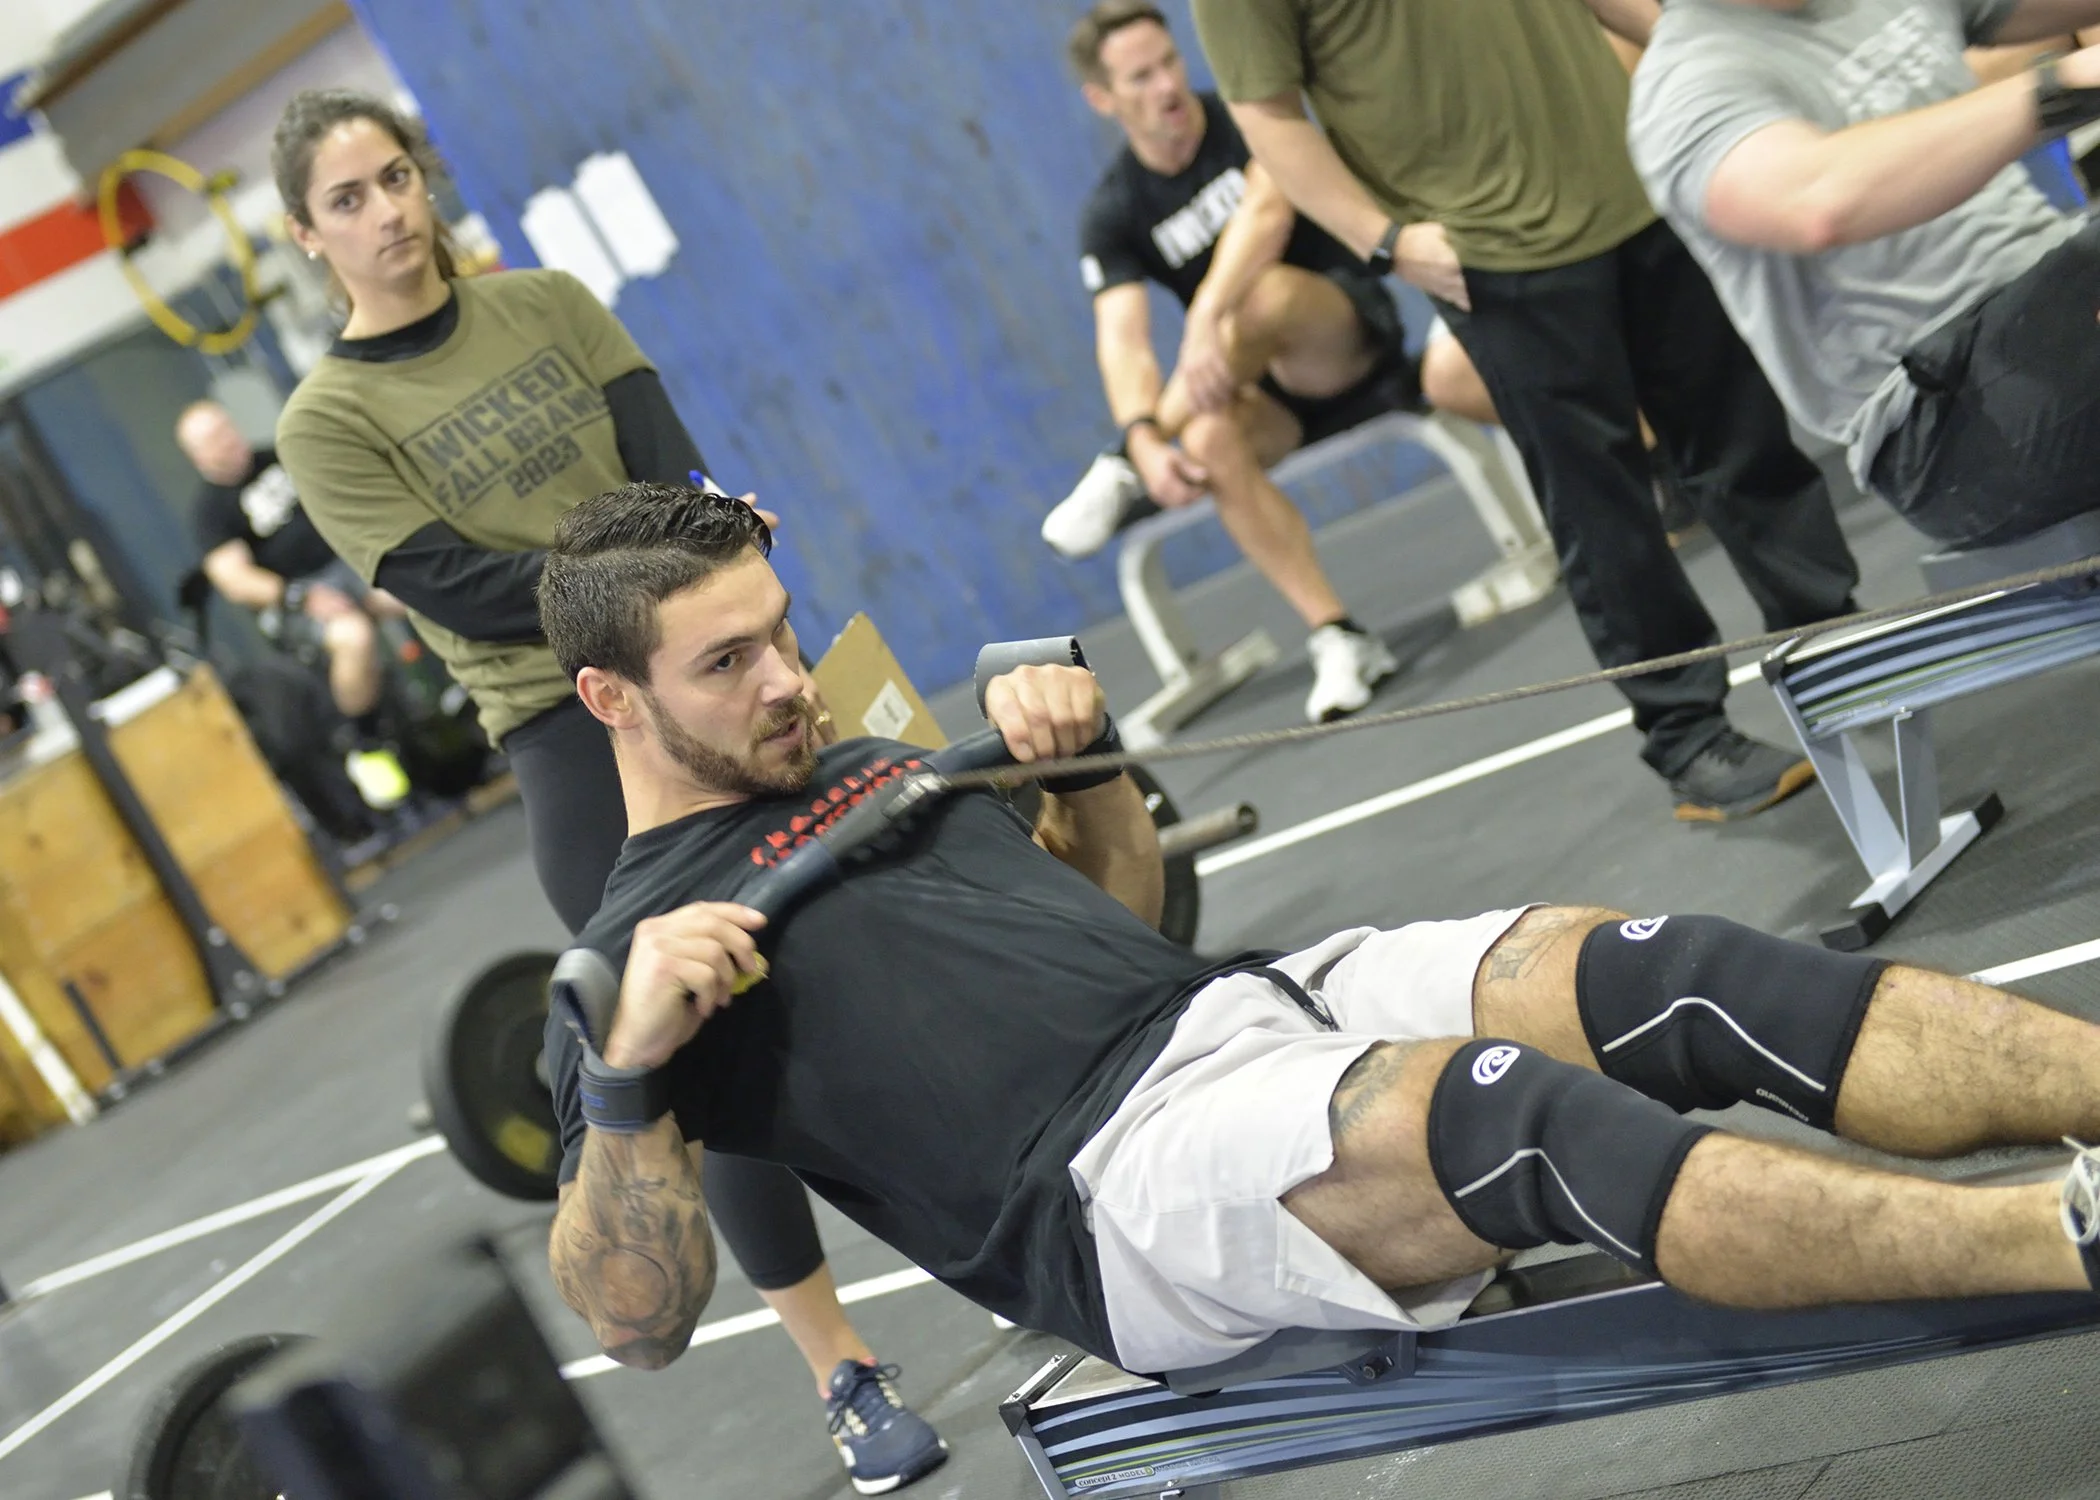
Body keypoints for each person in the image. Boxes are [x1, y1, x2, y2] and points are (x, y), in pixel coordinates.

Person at [537, 482, 2100, 1388]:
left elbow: (1114, 915)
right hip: (1107, 1190)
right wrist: (626, 1082)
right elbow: (635, 1323)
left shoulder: (869, 765)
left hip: (1234, 1008)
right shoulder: (629, 960)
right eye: (728, 665)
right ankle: (2065, 1242)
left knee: (1671, 973)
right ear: (611, 697)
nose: (788, 683)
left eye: (784, 634)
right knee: (1503, 1119)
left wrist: (1088, 771)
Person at [265, 89, 948, 1493]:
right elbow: (458, 586)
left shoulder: (552, 304)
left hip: (725, 671)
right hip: (575, 730)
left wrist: (706, 549)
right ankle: (845, 1373)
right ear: (303, 235)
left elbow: (664, 466)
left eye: (396, 176)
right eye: (348, 199)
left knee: (926, 923)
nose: (388, 212)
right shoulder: (325, 421)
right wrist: (663, 582)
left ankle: (1048, 1225)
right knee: (707, 1035)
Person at [1185, 0, 1866, 824]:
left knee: (1741, 437)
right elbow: (1267, 116)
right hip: (1492, 248)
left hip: (1632, 178)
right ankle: (1688, 736)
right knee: (1603, 507)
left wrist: (1706, 42)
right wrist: (1388, 241)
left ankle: (1837, 644)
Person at [1044, 1, 1417, 723]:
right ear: (1103, 98)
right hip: (1263, 390)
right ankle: (1339, 634)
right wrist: (1150, 428)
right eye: (1140, 77)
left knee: (1260, 297)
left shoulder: (1249, 116)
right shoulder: (1114, 209)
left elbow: (1269, 215)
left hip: (1342, 337)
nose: (1166, 85)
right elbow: (1122, 338)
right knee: (1210, 436)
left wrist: (1203, 322)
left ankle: (1121, 463)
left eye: (1169, 62)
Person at [1627, 1, 2100, 553]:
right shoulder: (1684, 88)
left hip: (2049, 293)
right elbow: (1816, 200)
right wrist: (2058, 86)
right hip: (1940, 422)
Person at [178, 399, 410, 807]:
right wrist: (297, 596)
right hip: (295, 602)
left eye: (226, 427)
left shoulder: (278, 457)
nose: (228, 439)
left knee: (421, 593)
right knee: (354, 636)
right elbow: (234, 579)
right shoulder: (210, 511)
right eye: (214, 438)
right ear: (198, 456)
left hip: (348, 566)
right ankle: (365, 741)